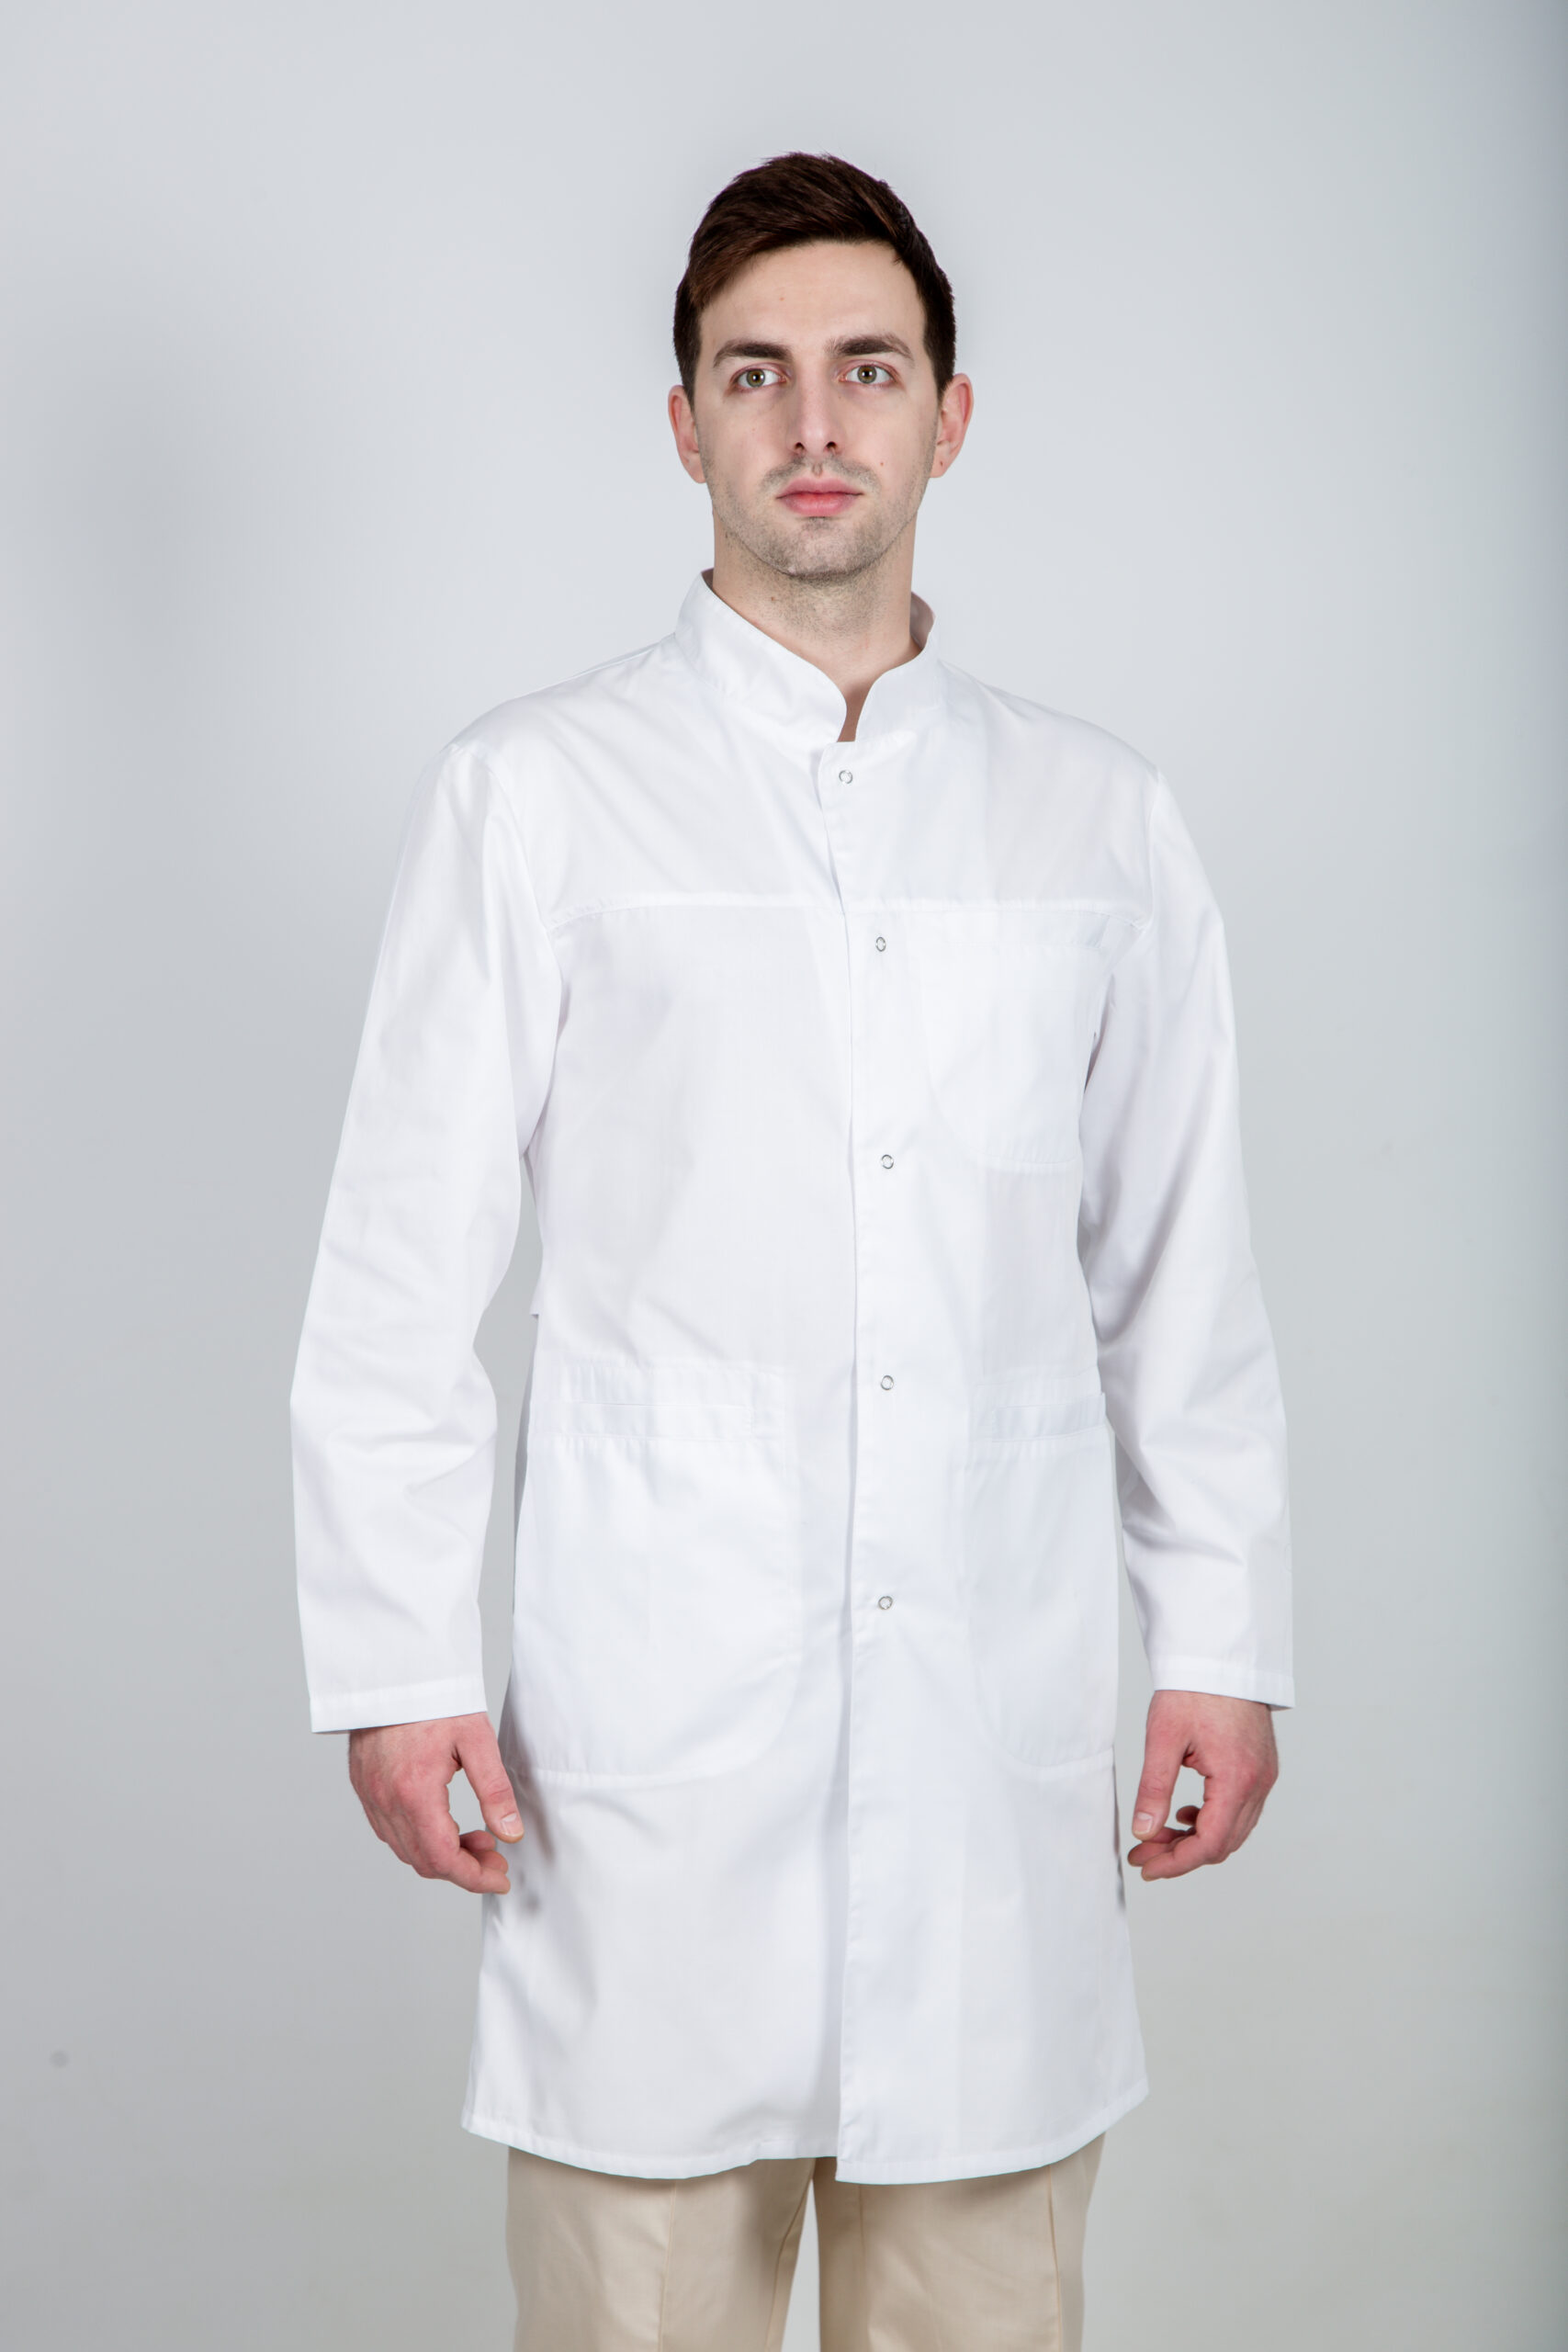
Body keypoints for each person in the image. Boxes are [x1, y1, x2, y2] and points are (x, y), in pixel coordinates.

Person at [291, 151, 1292, 2352]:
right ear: (684, 426)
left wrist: (1221, 1632)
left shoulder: (1093, 819)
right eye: (754, 375)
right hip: (647, 1753)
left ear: (950, 414)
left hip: (988, 1748)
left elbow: (1176, 1272)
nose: (813, 422)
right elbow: (397, 1270)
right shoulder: (535, 794)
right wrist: (394, 1659)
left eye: (867, 368)